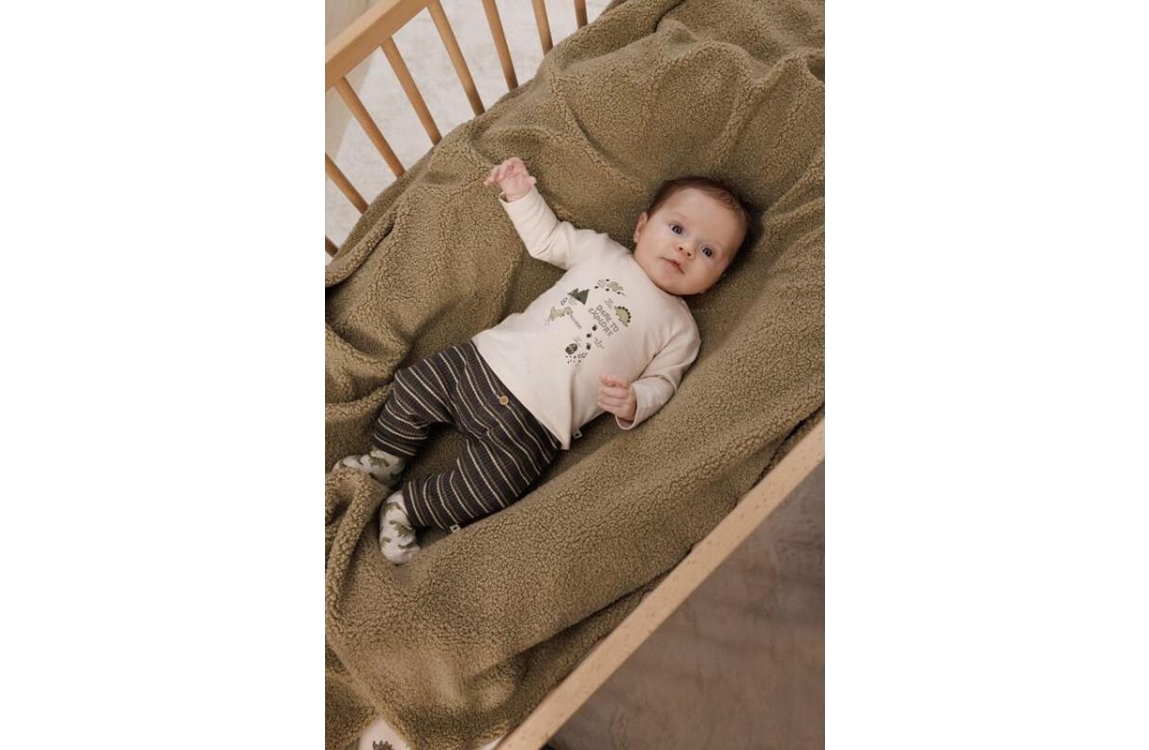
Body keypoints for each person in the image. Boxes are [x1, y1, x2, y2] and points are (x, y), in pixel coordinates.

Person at [334, 156, 752, 563]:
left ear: (717, 279)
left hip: (536, 428)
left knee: (493, 490)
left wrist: (634, 401)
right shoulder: (602, 253)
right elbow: (548, 239)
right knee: (415, 387)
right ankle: (385, 460)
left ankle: (408, 509)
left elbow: (663, 383)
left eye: (708, 251)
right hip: (483, 364)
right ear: (641, 227)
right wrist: (520, 195)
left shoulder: (681, 330)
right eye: (677, 228)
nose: (685, 248)